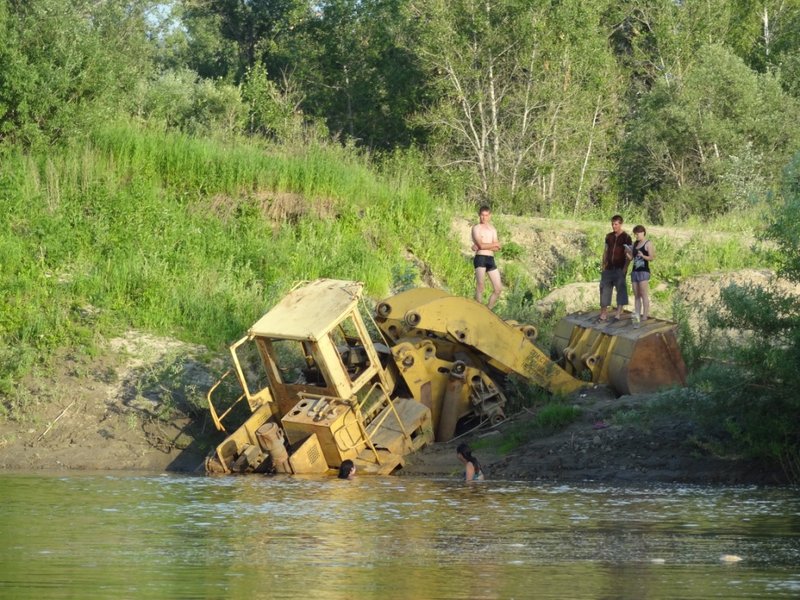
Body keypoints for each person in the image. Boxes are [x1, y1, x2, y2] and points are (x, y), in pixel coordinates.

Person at [599, 214, 632, 322]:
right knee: (604, 289)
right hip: (608, 267)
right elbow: (605, 251)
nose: (614, 226)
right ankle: (603, 313)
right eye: (612, 224)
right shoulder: (609, 236)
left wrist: (625, 268)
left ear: (621, 224)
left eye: (616, 224)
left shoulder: (627, 237)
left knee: (620, 290)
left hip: (619, 268)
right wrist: (603, 264)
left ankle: (618, 313)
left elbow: (629, 255)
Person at [471, 205, 503, 309]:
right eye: (482, 215)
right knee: (480, 287)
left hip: (490, 259)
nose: (484, 218)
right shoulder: (476, 228)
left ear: (489, 216)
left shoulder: (492, 229)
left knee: (498, 289)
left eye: (486, 215)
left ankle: (487, 310)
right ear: (479, 215)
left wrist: (487, 246)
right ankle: (478, 311)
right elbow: (481, 245)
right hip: (480, 258)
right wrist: (494, 244)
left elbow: (498, 248)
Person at [628, 224, 655, 326]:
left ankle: (645, 315)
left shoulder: (648, 243)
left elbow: (652, 257)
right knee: (636, 295)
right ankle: (637, 315)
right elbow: (631, 258)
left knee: (644, 294)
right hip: (635, 271)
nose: (637, 235)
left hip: (644, 271)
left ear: (643, 232)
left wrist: (643, 255)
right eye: (635, 234)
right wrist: (628, 252)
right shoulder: (635, 244)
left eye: (638, 233)